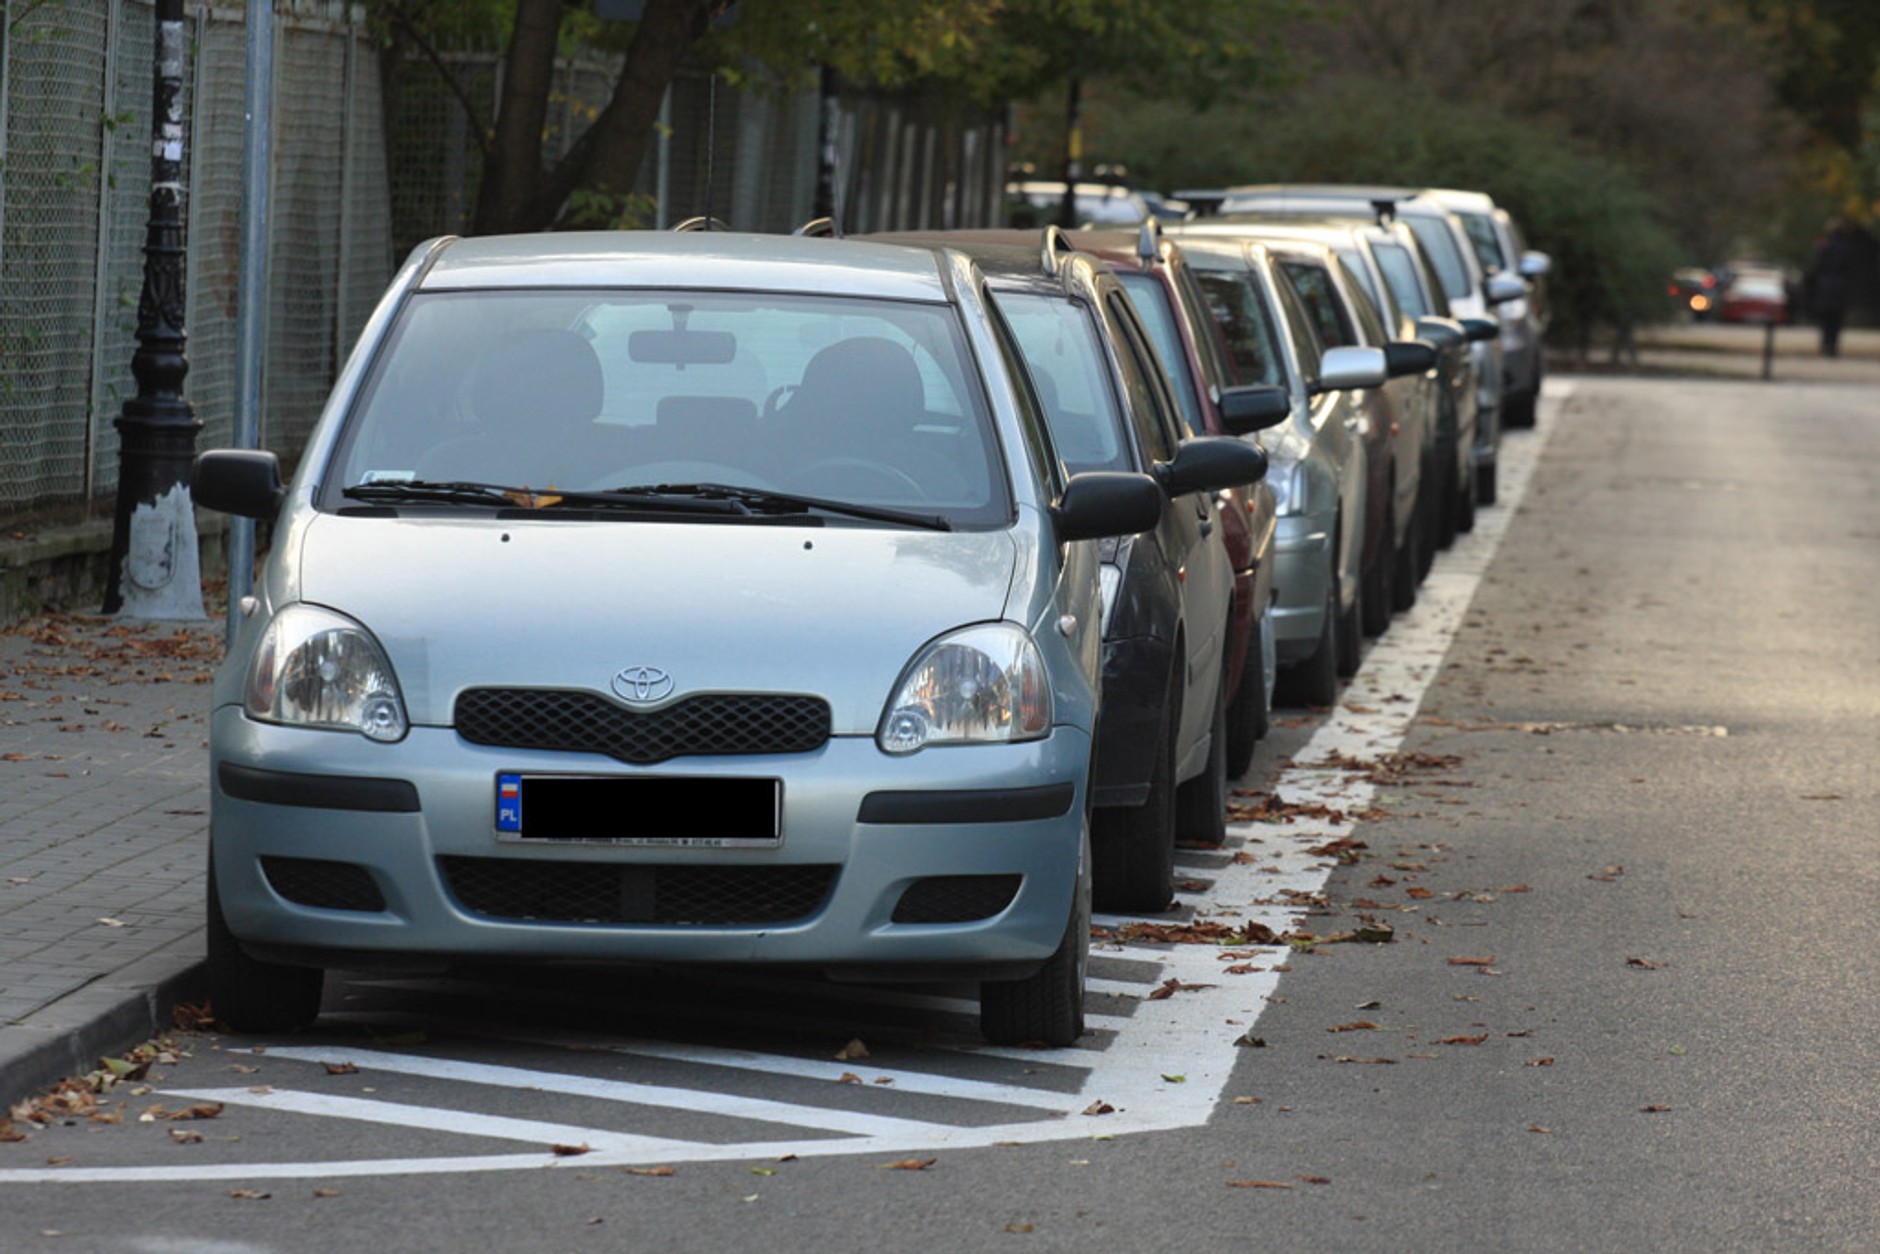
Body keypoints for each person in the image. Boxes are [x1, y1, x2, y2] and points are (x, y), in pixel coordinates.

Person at [1808, 218, 1858, 357]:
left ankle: (1825, 344)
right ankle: (1833, 346)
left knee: (1825, 319)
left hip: (1825, 287)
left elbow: (1817, 267)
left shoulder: (1824, 246)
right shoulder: (1846, 248)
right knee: (1836, 320)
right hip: (1841, 287)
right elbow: (1851, 269)